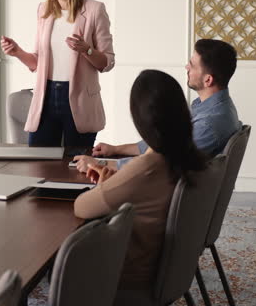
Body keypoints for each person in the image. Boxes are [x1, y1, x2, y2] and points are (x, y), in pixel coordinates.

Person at [74, 69, 207, 296]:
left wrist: (105, 186)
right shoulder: (191, 159)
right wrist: (115, 183)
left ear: (141, 119)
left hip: (129, 278)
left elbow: (82, 206)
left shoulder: (145, 167)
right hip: (167, 270)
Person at [0, 0, 115, 155]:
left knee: (76, 166)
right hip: (46, 96)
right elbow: (37, 63)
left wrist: (86, 50)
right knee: (38, 163)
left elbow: (107, 62)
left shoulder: (95, 10)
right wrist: (17, 52)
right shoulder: (44, 10)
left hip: (79, 99)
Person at [74, 38, 241, 173]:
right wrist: (116, 149)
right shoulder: (215, 107)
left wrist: (100, 163)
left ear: (208, 80)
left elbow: (160, 163)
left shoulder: (209, 124)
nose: (186, 67)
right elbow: (165, 143)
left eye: (192, 64)